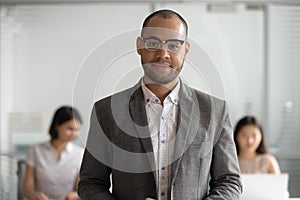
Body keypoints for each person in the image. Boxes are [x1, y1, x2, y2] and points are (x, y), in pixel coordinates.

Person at [78, 9, 242, 200]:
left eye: (174, 45)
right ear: (139, 45)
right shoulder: (105, 111)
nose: (163, 53)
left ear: (186, 50)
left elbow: (229, 181)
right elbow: (90, 183)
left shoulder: (215, 111)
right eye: (153, 43)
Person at [23, 106, 84, 200]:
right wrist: (35, 195)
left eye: (77, 130)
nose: (74, 134)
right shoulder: (36, 150)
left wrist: (72, 196)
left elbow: (81, 189)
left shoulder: (80, 154)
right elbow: (28, 188)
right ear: (57, 126)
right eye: (70, 129)